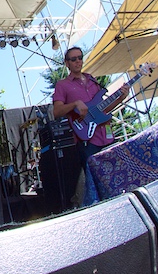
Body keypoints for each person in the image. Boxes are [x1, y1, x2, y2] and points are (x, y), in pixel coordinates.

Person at [52, 47, 129, 205]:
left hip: (106, 135)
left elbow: (103, 108)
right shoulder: (63, 85)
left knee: (118, 174)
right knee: (97, 181)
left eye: (80, 57)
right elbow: (57, 111)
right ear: (67, 63)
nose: (78, 61)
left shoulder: (92, 80)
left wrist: (121, 97)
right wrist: (74, 104)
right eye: (73, 59)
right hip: (87, 140)